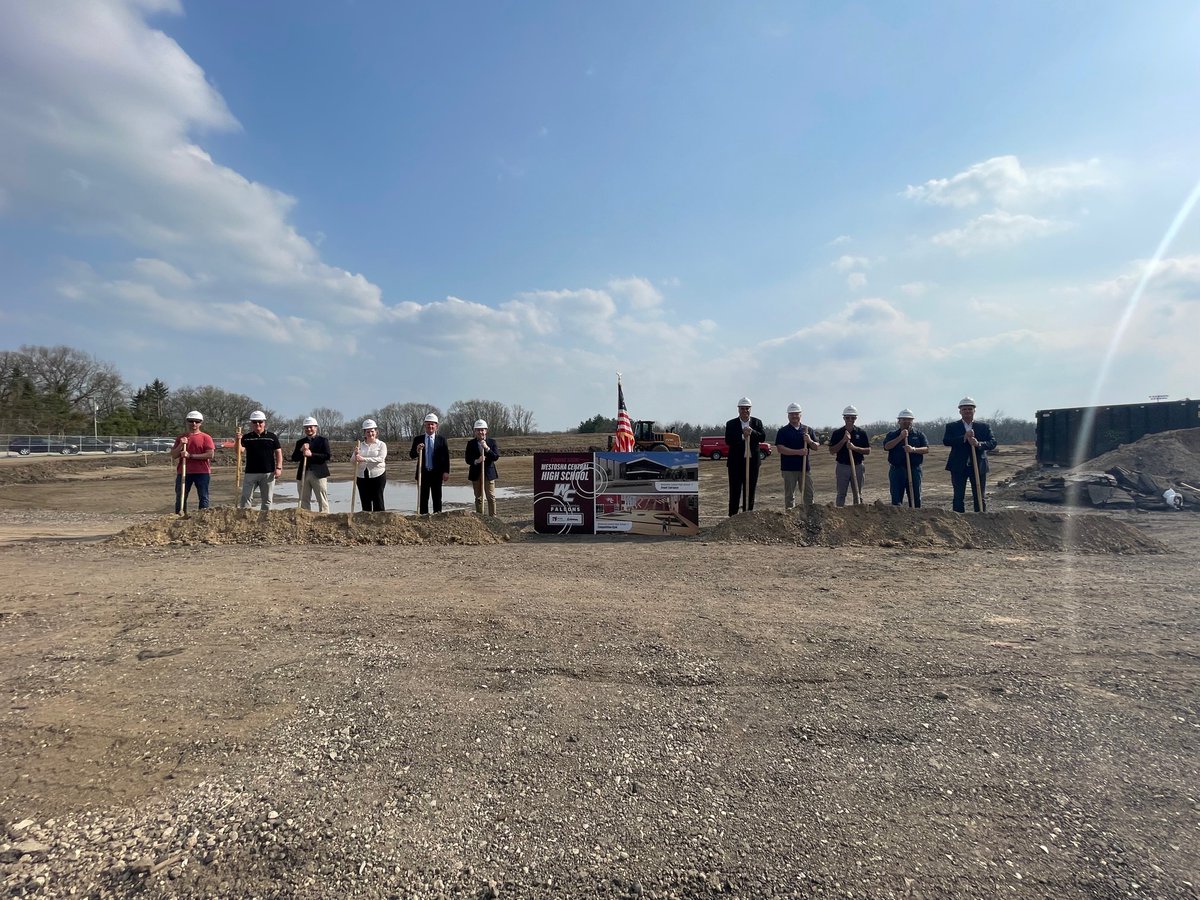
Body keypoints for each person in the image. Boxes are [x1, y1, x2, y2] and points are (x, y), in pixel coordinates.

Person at [943, 397, 998, 512]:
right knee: (958, 496)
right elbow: (946, 441)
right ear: (960, 411)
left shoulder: (984, 427)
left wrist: (978, 444)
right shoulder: (952, 426)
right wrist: (964, 437)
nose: (967, 411)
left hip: (978, 465)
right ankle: (958, 518)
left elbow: (992, 442)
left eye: (970, 409)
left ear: (974, 410)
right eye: (964, 409)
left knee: (979, 495)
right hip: (958, 466)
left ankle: (980, 517)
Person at [724, 397, 766, 516]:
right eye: (742, 408)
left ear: (750, 409)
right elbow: (728, 440)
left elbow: (762, 437)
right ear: (738, 409)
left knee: (750, 490)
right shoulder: (731, 424)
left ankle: (747, 516)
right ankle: (733, 517)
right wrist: (742, 435)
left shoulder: (757, 423)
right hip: (735, 463)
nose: (745, 411)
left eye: (747, 408)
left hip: (752, 462)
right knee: (735, 490)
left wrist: (752, 432)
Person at [774, 402, 819, 509]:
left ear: (800, 415)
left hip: (804, 469)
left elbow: (816, 447)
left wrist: (809, 441)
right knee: (789, 496)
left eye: (796, 414)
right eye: (792, 414)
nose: (794, 416)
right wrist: (798, 452)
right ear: (788, 415)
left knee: (808, 494)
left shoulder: (807, 430)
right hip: (788, 469)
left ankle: (809, 515)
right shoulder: (783, 431)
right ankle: (790, 515)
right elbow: (780, 448)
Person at [170, 410, 215, 514]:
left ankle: (202, 516)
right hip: (184, 472)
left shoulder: (206, 437)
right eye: (191, 421)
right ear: (187, 422)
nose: (194, 424)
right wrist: (181, 445)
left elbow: (210, 454)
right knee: (181, 496)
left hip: (202, 472)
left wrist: (190, 456)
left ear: (200, 423)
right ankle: (180, 516)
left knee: (203, 496)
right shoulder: (181, 438)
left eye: (197, 421)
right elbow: (174, 455)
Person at [883, 408, 929, 507]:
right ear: (899, 421)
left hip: (914, 469)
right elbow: (886, 447)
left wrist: (913, 449)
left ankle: (915, 514)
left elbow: (926, 449)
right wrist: (900, 437)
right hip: (897, 469)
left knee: (915, 496)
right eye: (903, 419)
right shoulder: (892, 434)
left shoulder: (919, 434)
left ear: (912, 421)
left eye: (909, 419)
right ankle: (897, 515)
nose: (906, 421)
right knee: (896, 498)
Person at [239, 410, 283, 510]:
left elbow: (278, 452)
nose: (257, 424)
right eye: (254, 422)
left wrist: (279, 468)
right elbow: (239, 451)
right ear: (251, 423)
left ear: (264, 423)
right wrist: (238, 440)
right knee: (245, 497)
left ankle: (265, 517)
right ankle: (244, 516)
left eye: (260, 422)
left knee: (267, 499)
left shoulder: (272, 437)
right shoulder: (246, 437)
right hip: (250, 472)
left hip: (268, 473)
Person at [829, 405, 871, 507]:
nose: (850, 420)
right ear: (844, 418)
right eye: (848, 417)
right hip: (842, 466)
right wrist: (843, 440)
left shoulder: (861, 433)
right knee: (841, 494)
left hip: (858, 466)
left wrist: (854, 448)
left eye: (852, 417)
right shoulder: (837, 433)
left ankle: (858, 513)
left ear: (855, 418)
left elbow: (868, 451)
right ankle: (839, 512)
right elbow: (832, 451)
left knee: (858, 494)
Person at [410, 413, 450, 514]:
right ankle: (424, 518)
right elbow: (412, 455)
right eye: (428, 424)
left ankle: (438, 517)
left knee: (437, 498)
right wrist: (417, 450)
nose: (430, 426)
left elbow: (446, 457)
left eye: (432, 424)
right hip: (423, 474)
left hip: (437, 474)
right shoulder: (418, 439)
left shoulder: (441, 440)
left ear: (436, 426)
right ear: (425, 425)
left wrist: (446, 471)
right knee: (423, 499)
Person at [291, 416, 332, 513]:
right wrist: (301, 450)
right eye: (306, 427)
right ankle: (305, 517)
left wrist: (312, 454)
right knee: (303, 499)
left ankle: (324, 516)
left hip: (319, 473)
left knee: (322, 498)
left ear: (316, 427)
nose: (308, 429)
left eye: (311, 427)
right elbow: (294, 458)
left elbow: (327, 456)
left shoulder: (323, 440)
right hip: (303, 473)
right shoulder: (300, 442)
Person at [465, 419, 501, 516]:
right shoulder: (471, 443)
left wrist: (487, 448)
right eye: (478, 430)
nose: (480, 432)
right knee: (479, 498)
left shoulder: (492, 442)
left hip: (489, 473)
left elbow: (495, 457)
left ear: (486, 431)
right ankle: (480, 517)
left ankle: (493, 518)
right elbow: (468, 459)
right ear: (475, 431)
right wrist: (477, 461)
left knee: (491, 497)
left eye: (482, 430)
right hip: (476, 474)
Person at [354, 419, 387, 512]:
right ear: (364, 433)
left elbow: (381, 459)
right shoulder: (360, 446)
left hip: (378, 475)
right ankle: (366, 519)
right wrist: (355, 454)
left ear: (376, 432)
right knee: (365, 501)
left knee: (378, 500)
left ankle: (380, 519)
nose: (370, 434)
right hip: (362, 476)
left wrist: (364, 459)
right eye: (367, 432)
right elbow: (352, 461)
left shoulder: (381, 445)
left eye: (372, 431)